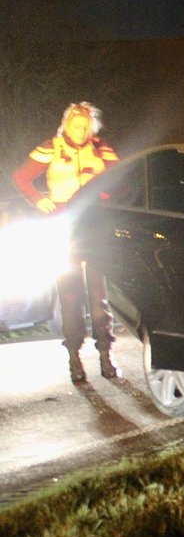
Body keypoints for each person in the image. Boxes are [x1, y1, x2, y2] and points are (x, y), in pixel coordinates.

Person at [12, 102, 121, 382]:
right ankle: (74, 359)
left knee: (99, 298)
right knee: (70, 297)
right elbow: (21, 177)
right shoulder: (51, 147)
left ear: (91, 127)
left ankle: (106, 356)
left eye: (85, 125)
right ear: (66, 124)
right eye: (76, 124)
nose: (80, 130)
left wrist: (104, 198)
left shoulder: (101, 149)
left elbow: (122, 180)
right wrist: (40, 200)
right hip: (63, 228)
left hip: (95, 226)